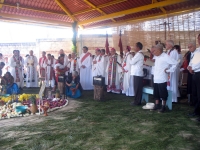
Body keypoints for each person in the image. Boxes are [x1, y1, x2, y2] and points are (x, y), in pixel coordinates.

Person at [150, 44, 178, 113]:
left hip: (162, 78)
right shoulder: (156, 57)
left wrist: (168, 70)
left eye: (155, 50)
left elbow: (175, 63)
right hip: (156, 77)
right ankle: (157, 105)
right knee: (156, 92)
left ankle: (163, 106)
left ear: (159, 50)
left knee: (163, 93)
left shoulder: (165, 56)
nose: (154, 52)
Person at [188, 34, 200, 119]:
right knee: (195, 94)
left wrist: (193, 68)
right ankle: (196, 111)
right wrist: (190, 67)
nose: (198, 40)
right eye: (198, 39)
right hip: (195, 74)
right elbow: (192, 62)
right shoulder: (198, 50)